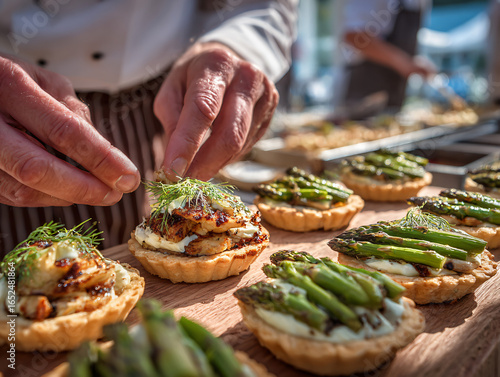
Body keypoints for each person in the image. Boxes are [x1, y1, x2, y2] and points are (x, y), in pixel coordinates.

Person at [0, 0, 297, 252]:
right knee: (14, 297)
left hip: (159, 102)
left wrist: (235, 45)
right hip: (12, 111)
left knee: (158, 246)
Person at [341, 0, 435, 111]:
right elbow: (355, 36)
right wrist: (405, 63)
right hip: (364, 96)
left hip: (395, 96)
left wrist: (414, 62)